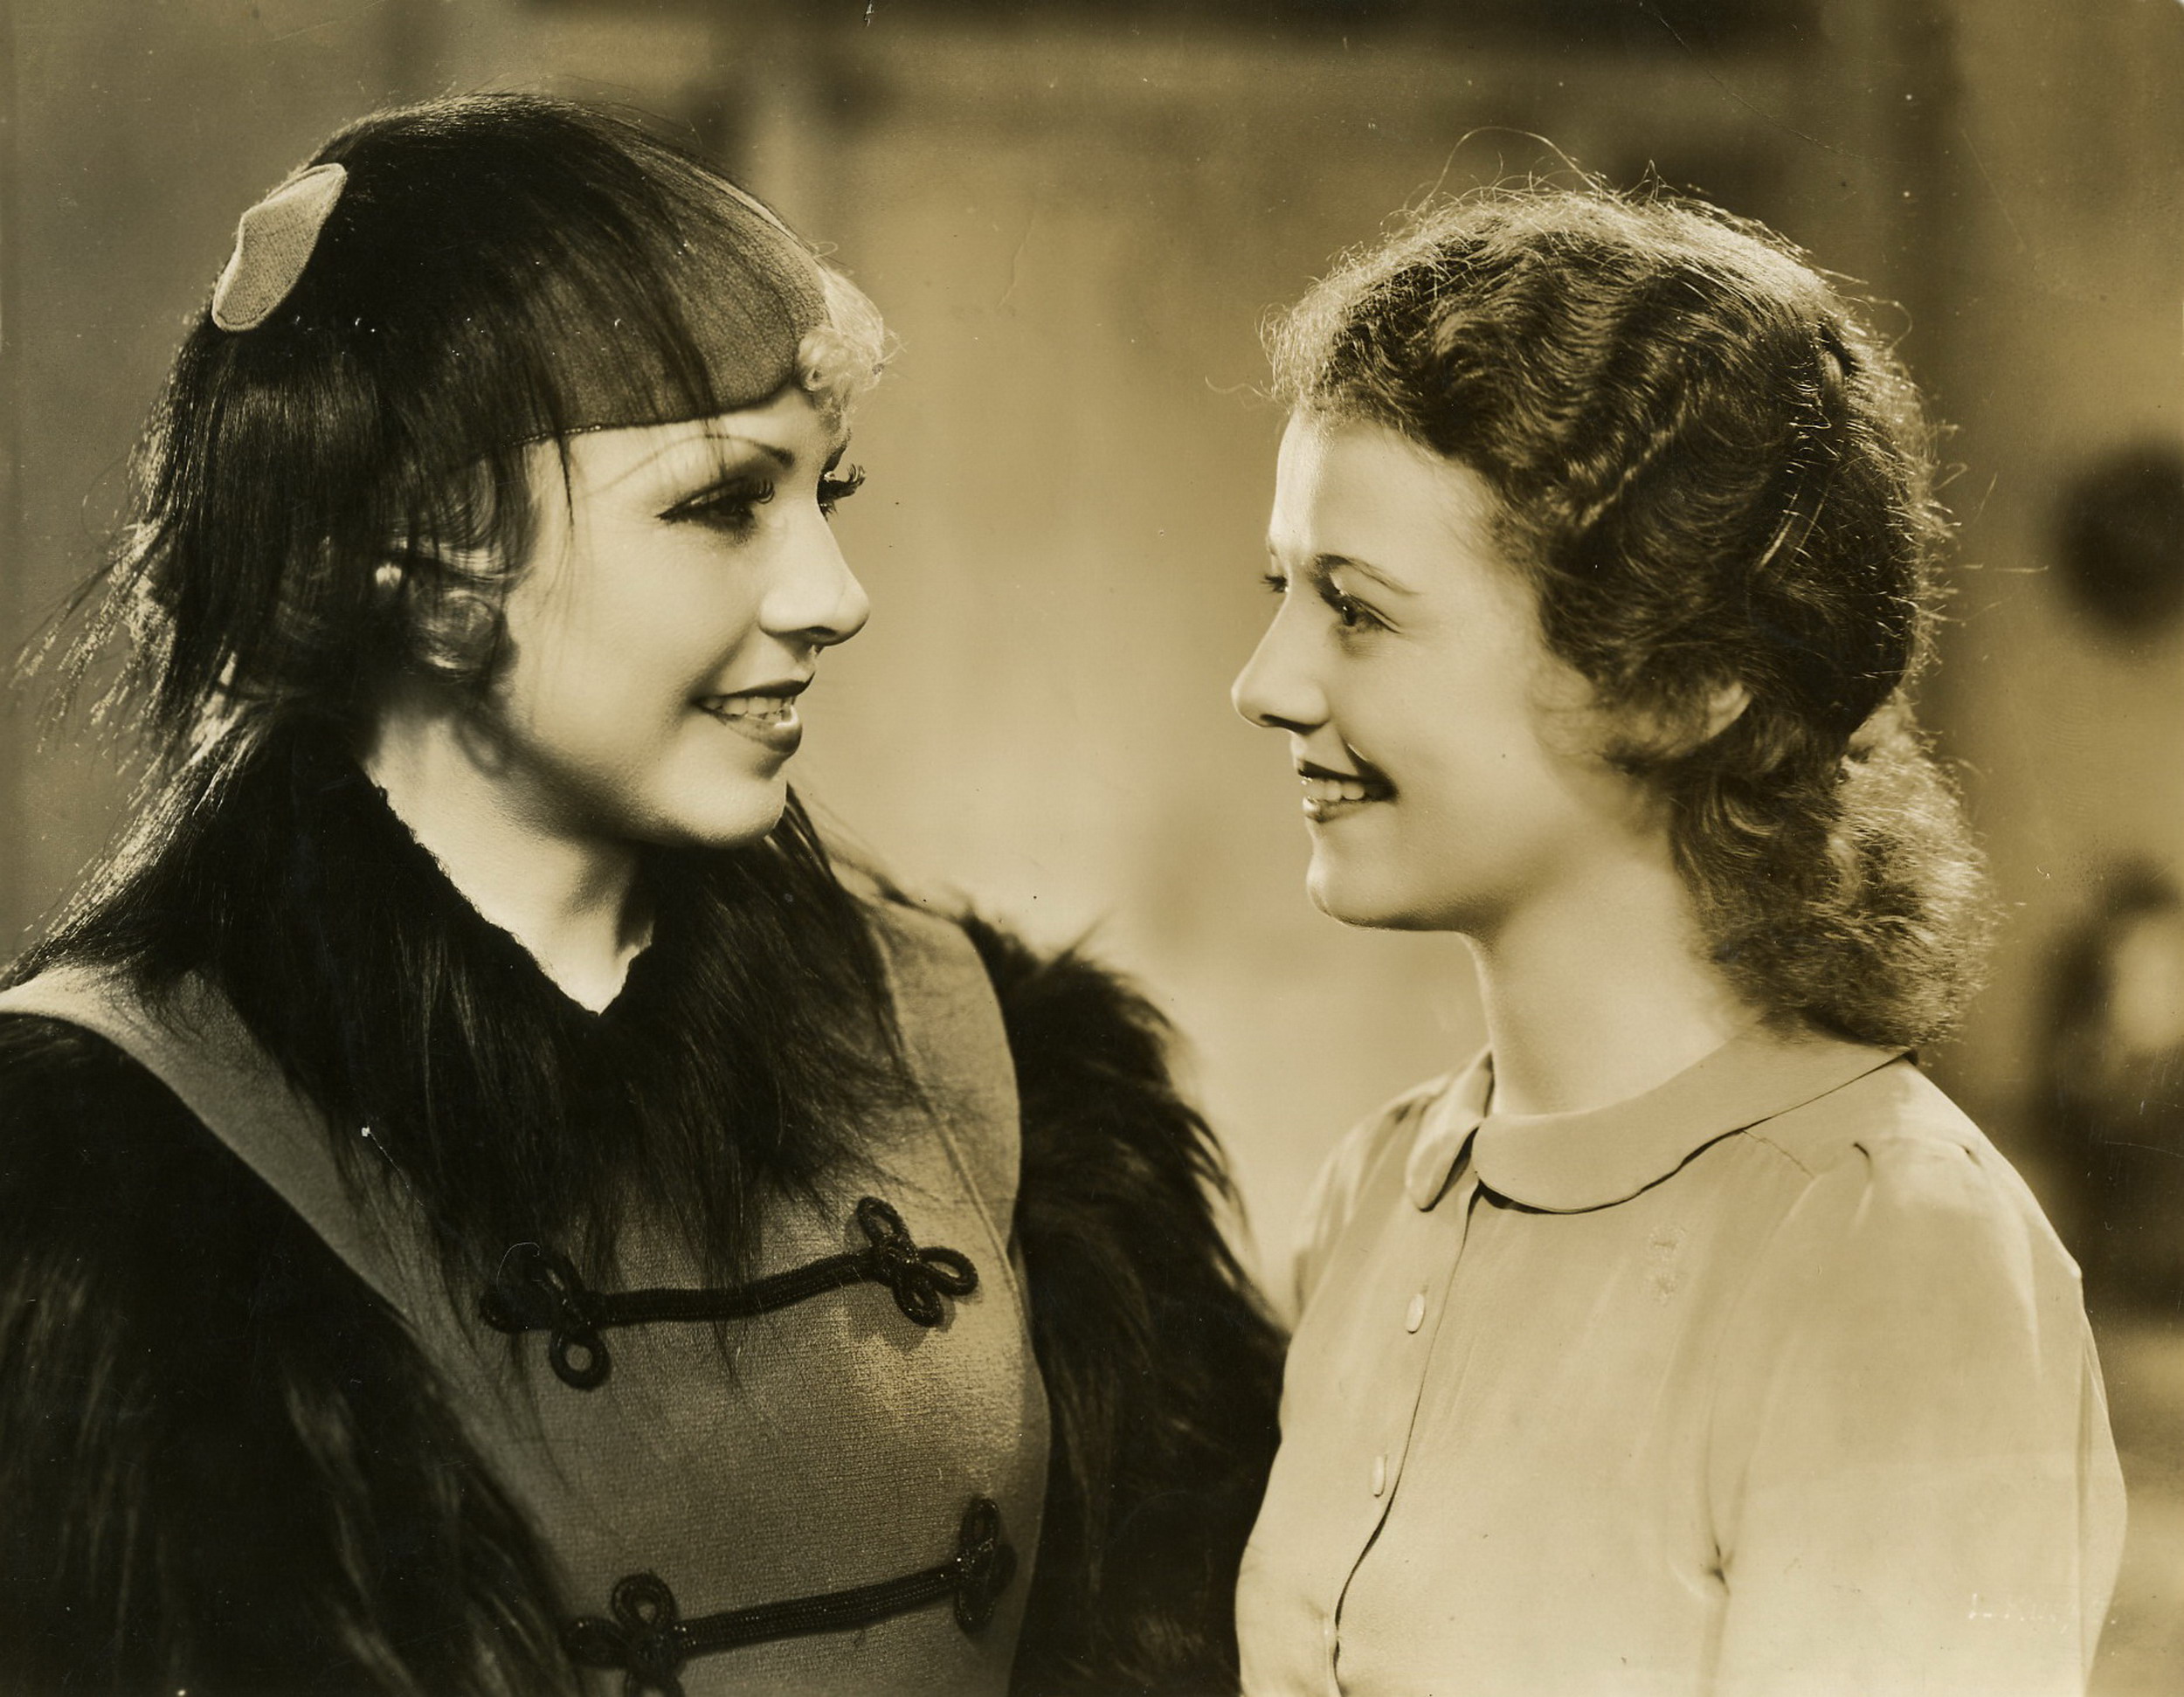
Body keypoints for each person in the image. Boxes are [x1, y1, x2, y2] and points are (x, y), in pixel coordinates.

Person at [0, 95, 1282, 1696]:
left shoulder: (1004, 1063)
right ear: (421, 549)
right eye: (719, 504)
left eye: (832, 496)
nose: (835, 595)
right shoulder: (113, 1152)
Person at [1228, 186, 2125, 1694]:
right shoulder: (1379, 1191)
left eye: (1358, 612)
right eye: (1282, 594)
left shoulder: (1894, 1253)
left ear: (1684, 686)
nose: (1263, 682)